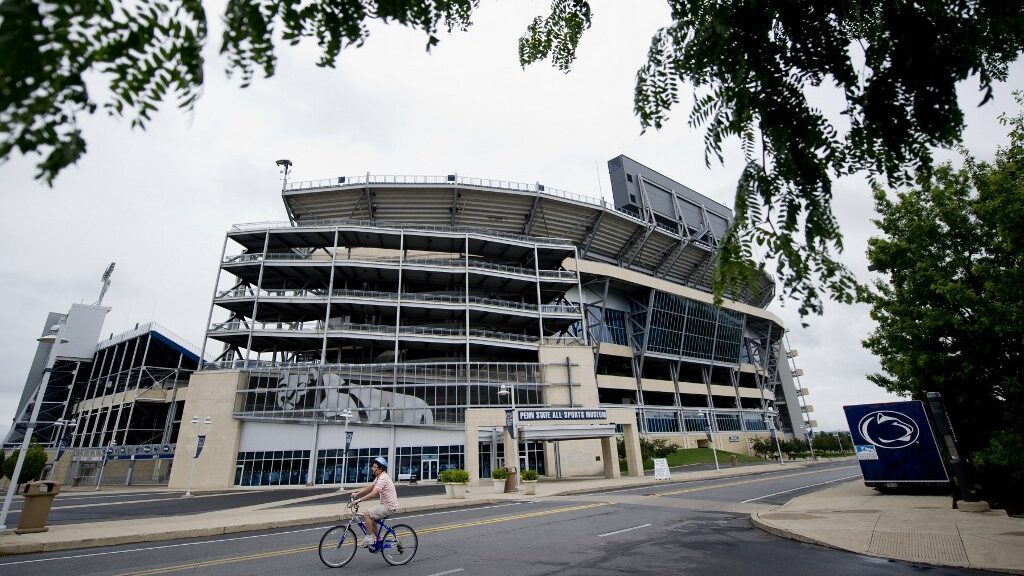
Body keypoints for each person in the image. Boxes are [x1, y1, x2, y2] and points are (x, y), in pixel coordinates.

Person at [349, 456, 399, 547]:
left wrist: (358, 501)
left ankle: (369, 538)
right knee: (371, 520)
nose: (372, 468)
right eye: (373, 466)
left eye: (374, 467)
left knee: (367, 514)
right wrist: (357, 494)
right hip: (386, 505)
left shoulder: (383, 478)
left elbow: (373, 494)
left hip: (388, 507)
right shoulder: (379, 477)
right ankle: (379, 540)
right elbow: (370, 487)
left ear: (380, 469)